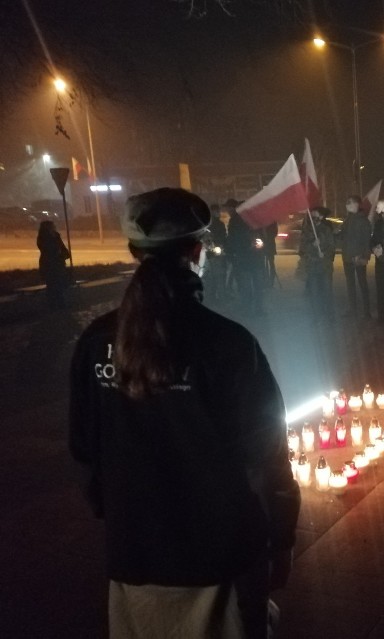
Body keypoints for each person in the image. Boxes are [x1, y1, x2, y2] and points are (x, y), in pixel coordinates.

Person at [68, 188, 300, 638]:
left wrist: (125, 513)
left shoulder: (96, 342)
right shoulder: (228, 344)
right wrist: (282, 537)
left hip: (134, 559)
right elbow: (269, 456)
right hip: (221, 560)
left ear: (135, 251)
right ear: (198, 250)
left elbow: (83, 453)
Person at [225, 203, 266, 315]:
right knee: (246, 285)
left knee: (256, 285)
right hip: (243, 258)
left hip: (254, 258)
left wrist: (260, 243)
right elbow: (233, 238)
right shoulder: (235, 221)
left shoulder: (254, 220)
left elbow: (262, 236)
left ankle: (257, 308)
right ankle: (248, 307)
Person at [339, 195, 373, 319]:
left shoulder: (363, 220)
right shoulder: (347, 220)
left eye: (350, 203)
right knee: (350, 285)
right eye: (347, 203)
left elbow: (366, 240)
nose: (347, 205)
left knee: (363, 284)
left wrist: (364, 256)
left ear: (357, 205)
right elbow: (343, 237)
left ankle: (366, 312)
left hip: (358, 257)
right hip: (347, 257)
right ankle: (352, 310)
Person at [299, 206, 336, 320]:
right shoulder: (307, 230)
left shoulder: (327, 229)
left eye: (316, 214)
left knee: (327, 291)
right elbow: (302, 249)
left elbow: (332, 246)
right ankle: (316, 316)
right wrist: (312, 245)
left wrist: (324, 253)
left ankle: (329, 315)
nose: (314, 217)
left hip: (325, 266)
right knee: (314, 293)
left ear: (321, 216)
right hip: (313, 266)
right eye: (312, 215)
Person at [36, 220, 71, 309]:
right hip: (49, 265)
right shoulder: (43, 238)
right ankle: (54, 304)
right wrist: (58, 253)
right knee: (52, 285)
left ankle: (60, 303)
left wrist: (63, 254)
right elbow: (48, 250)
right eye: (52, 226)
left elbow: (62, 249)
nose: (54, 227)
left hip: (58, 264)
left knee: (59, 284)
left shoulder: (56, 235)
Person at [204, 203, 228, 301]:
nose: (217, 213)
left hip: (215, 252)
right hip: (214, 253)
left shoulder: (213, 224)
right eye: (216, 211)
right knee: (217, 276)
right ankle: (218, 297)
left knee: (216, 276)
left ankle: (215, 296)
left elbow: (223, 237)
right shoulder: (212, 224)